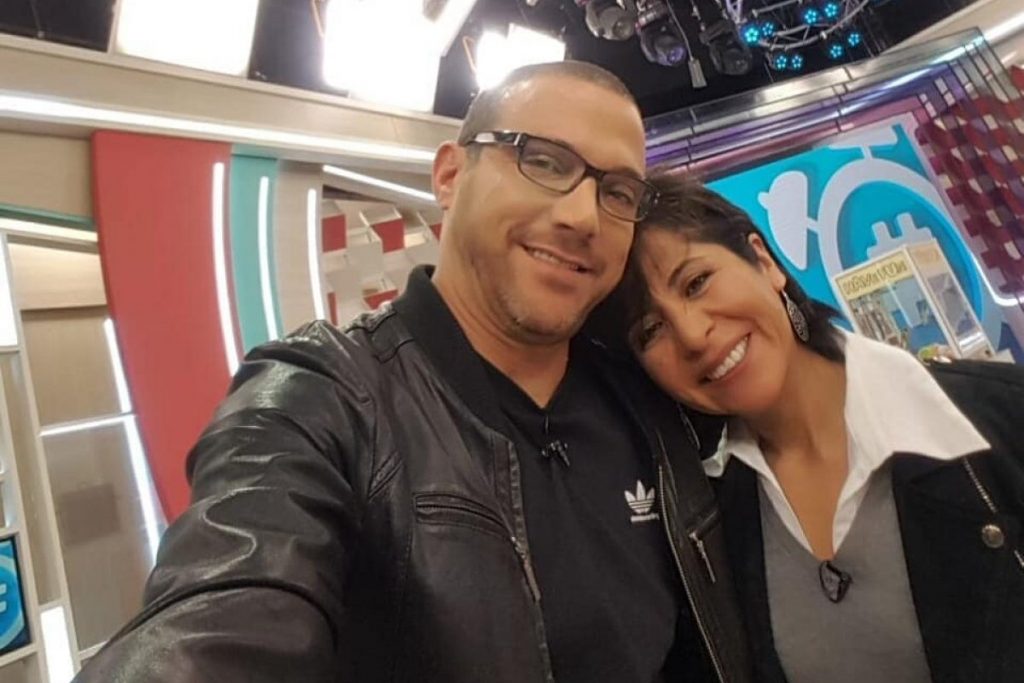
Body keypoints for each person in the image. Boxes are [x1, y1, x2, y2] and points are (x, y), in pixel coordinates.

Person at [73, 63, 752, 682]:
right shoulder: (322, 398)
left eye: (618, 192)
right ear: (450, 176)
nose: (582, 217)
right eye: (542, 161)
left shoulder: (645, 396)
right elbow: (220, 615)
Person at [605, 173, 1024, 683]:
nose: (693, 335)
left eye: (696, 283)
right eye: (651, 330)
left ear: (762, 261)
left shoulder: (998, 414)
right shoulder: (709, 519)